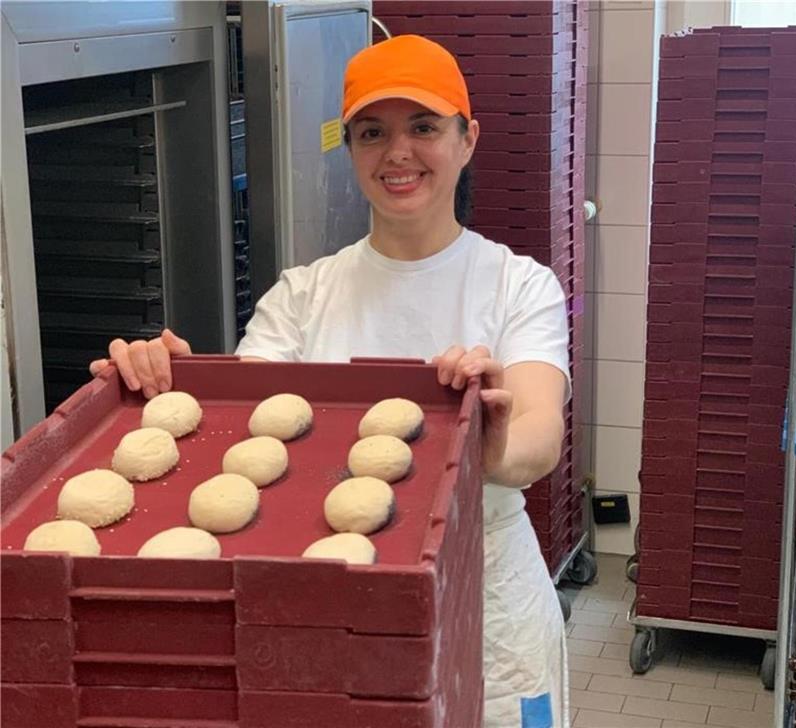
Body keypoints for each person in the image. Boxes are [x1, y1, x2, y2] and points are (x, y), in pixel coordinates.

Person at [90, 34, 570, 728]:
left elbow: (537, 435)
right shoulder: (303, 296)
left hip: (489, 613)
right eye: (372, 132)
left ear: (469, 140)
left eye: (424, 127)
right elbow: (244, 433)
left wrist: (485, 450)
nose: (397, 152)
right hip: (328, 616)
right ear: (349, 150)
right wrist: (169, 390)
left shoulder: (518, 286)